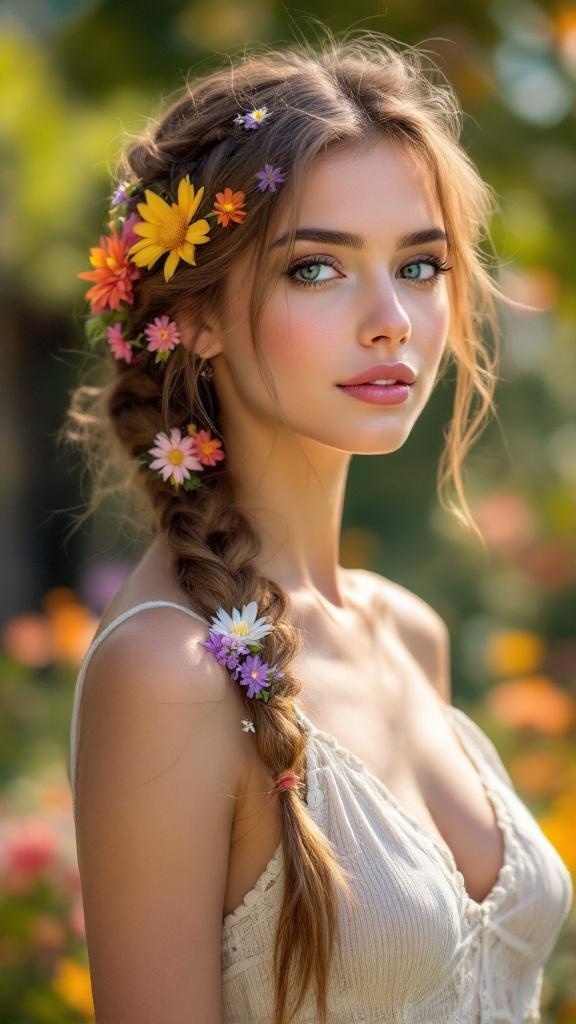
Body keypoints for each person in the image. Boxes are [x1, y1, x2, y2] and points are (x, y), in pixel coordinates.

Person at [65, 30, 573, 1024]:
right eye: (315, 269)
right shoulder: (169, 671)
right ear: (195, 314)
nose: (390, 319)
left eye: (420, 265)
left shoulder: (409, 632)